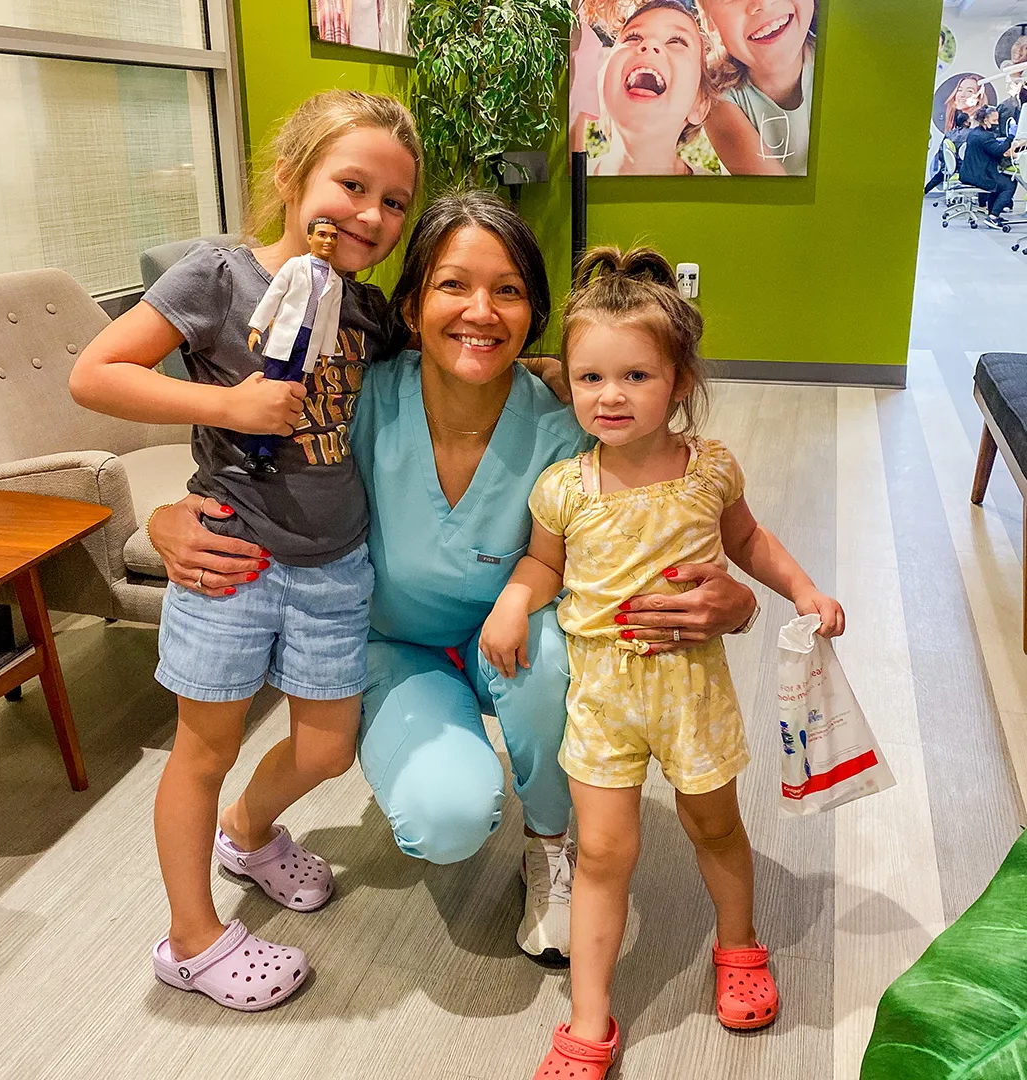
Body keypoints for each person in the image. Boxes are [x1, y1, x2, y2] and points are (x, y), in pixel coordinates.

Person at [146, 191, 761, 965]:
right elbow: (254, 466)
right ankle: (246, 825)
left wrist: (736, 605)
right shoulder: (357, 394)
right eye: (452, 285)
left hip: (520, 641)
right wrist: (169, 514)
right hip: (394, 648)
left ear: (533, 311)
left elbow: (684, 510)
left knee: (549, 650)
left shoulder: (571, 419)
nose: (481, 311)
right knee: (446, 820)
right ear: (411, 304)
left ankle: (549, 846)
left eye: (507, 290)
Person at [69, 89, 421, 1011]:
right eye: (351, 184)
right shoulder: (216, 277)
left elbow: (433, 368)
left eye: (393, 201)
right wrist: (227, 406)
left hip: (336, 562)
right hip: (233, 560)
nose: (371, 215)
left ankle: (249, 834)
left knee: (328, 748)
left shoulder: (365, 310)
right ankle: (189, 939)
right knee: (204, 745)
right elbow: (96, 373)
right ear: (290, 176)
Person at [477, 246, 844, 1079]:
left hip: (692, 688)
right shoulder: (565, 487)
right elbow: (543, 566)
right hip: (602, 693)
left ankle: (740, 946)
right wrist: (511, 600)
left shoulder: (707, 468)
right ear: (567, 380)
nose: (610, 396)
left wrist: (802, 591)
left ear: (678, 380)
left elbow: (748, 539)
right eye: (590, 378)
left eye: (636, 376)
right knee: (603, 853)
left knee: (712, 822)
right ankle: (589, 1020)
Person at [243, 216, 343, 475]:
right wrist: (258, 326)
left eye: (333, 236)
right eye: (322, 234)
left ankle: (266, 454)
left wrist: (326, 352)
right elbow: (273, 294)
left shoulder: (335, 281)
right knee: (268, 392)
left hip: (309, 342)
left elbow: (331, 320)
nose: (328, 241)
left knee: (289, 396)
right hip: (286, 336)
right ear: (310, 237)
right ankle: (251, 450)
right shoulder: (295, 266)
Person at [588, 0, 720, 176]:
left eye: (676, 41)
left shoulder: (715, 197)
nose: (650, 44)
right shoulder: (563, 188)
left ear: (700, 104)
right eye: (633, 37)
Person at [700, 0, 817, 176]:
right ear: (708, 21)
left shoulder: (849, 58)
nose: (763, 3)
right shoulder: (715, 99)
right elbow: (780, 200)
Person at [960, 104, 1016, 228]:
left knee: (1000, 182)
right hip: (978, 175)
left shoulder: (975, 132)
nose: (997, 123)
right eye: (994, 120)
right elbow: (997, 151)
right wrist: (1011, 137)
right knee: (1009, 185)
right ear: (985, 120)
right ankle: (993, 217)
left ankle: (992, 213)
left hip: (969, 172)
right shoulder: (985, 137)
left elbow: (990, 149)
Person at [924, 110, 970, 195]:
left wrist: (945, 163)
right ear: (966, 122)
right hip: (965, 168)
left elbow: (941, 152)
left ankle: (923, 192)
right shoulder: (971, 134)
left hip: (949, 167)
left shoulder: (949, 134)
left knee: (936, 179)